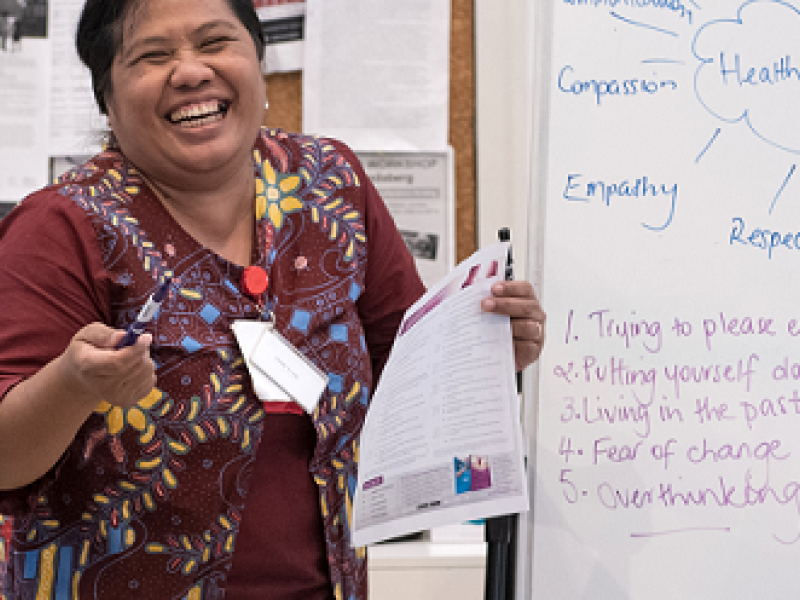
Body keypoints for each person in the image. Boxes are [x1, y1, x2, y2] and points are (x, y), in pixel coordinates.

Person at [0, 0, 546, 598]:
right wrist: (74, 385)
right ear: (106, 97)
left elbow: (411, 375)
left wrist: (486, 347)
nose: (190, 71)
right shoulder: (62, 226)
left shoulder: (332, 186)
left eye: (215, 42)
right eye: (153, 55)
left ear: (257, 64)